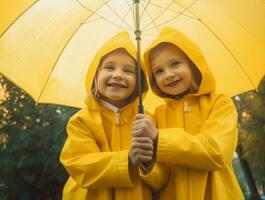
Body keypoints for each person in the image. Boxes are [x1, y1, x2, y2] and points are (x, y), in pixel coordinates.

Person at [132, 27, 244, 199]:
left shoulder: (220, 103)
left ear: (193, 65)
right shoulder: (157, 116)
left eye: (175, 64)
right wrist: (148, 164)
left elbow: (216, 153)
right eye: (159, 71)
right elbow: (159, 180)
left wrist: (158, 138)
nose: (168, 74)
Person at [60, 31, 154, 200]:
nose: (118, 74)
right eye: (109, 67)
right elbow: (79, 165)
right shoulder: (81, 121)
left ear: (139, 82)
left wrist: (148, 164)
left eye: (128, 70)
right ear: (95, 76)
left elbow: (163, 175)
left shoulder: (148, 120)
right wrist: (128, 160)